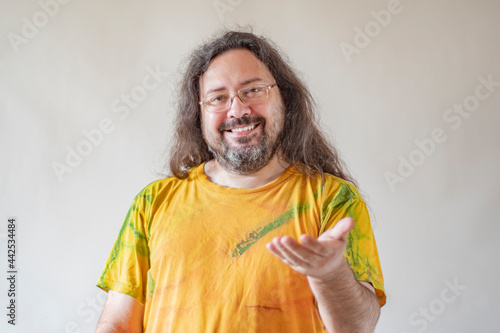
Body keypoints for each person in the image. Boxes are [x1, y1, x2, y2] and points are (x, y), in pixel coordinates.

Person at [96, 30, 386, 333]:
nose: (238, 110)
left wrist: (331, 274)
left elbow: (358, 327)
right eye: (218, 98)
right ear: (199, 112)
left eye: (253, 90)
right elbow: (117, 325)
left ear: (283, 98)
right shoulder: (153, 202)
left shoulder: (333, 199)